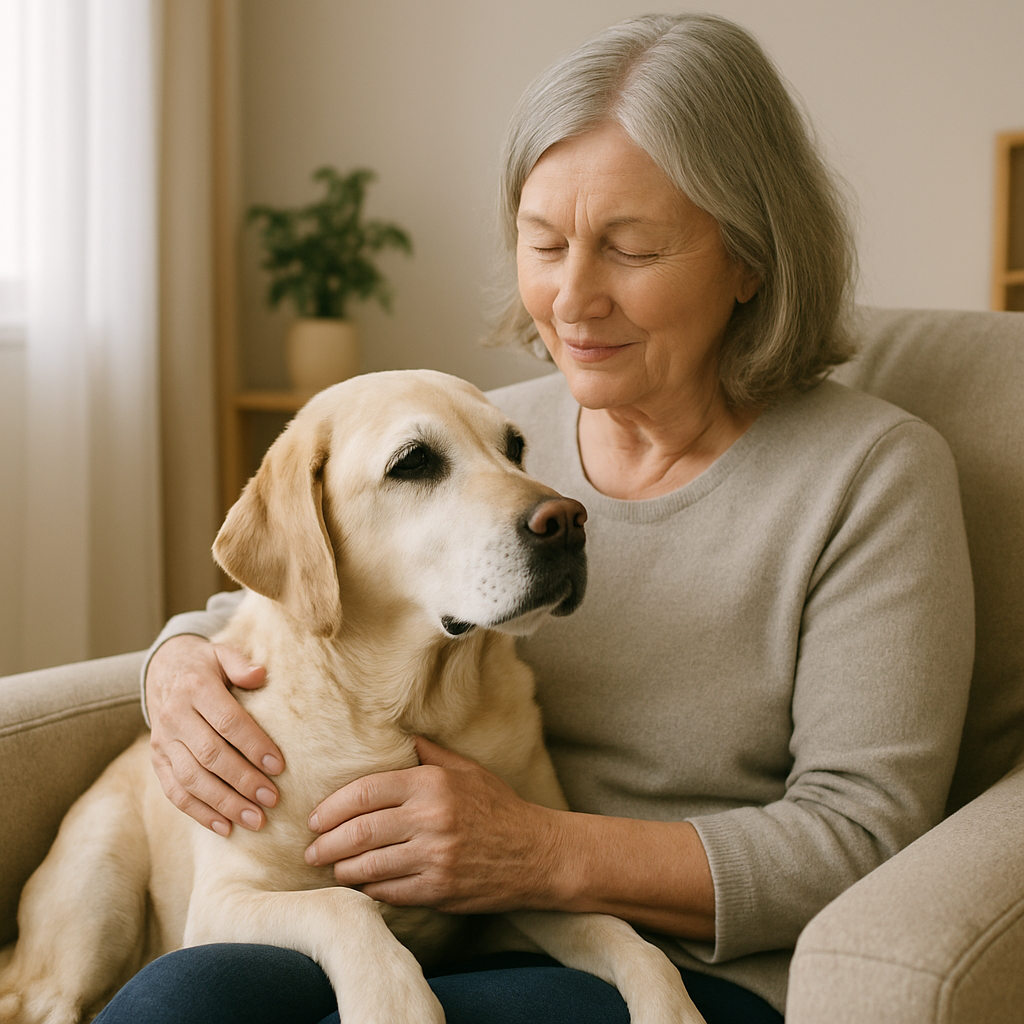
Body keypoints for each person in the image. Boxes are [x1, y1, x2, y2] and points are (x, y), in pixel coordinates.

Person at [95, 13, 974, 1024]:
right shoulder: (492, 432)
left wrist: (537, 850)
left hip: (679, 968)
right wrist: (176, 669)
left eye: (631, 247)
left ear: (749, 259)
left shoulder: (871, 475)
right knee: (183, 1000)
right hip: (447, 921)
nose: (572, 298)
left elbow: (864, 836)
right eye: (544, 243)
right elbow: (282, 587)